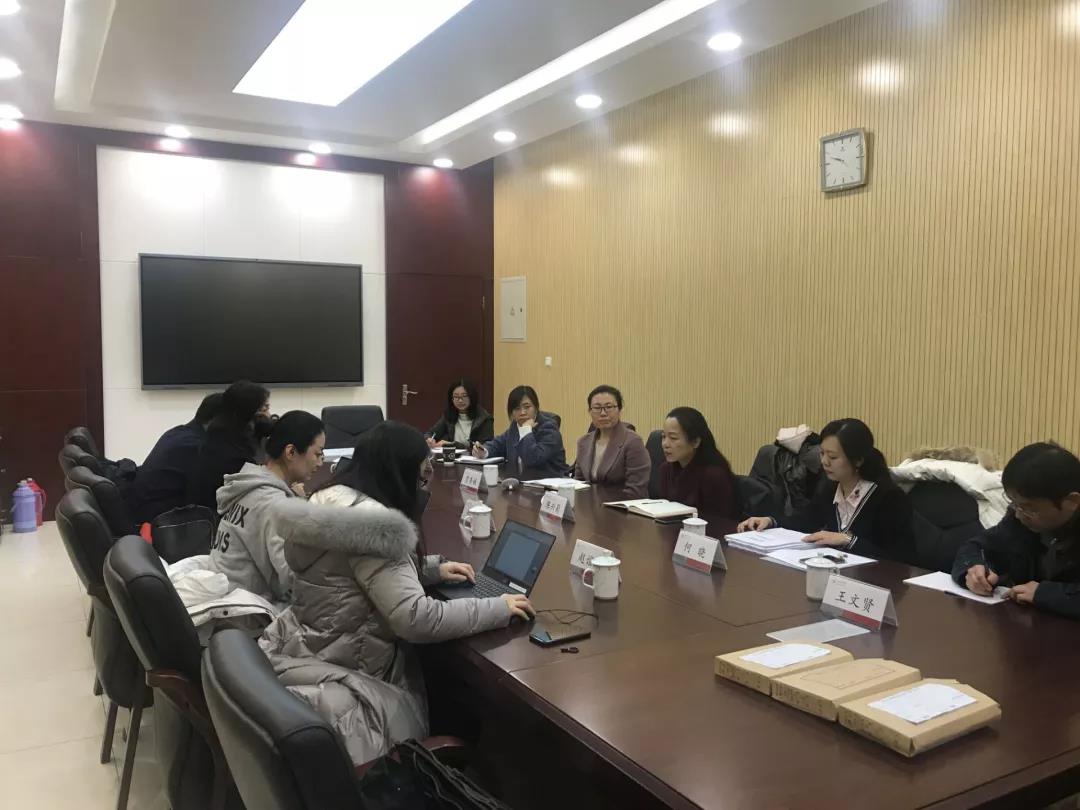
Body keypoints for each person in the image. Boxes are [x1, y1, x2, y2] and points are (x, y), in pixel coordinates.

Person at [259, 420, 533, 764]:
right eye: (421, 477)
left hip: (316, 647)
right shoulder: (375, 528)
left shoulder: (329, 500)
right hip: (357, 672)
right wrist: (498, 607)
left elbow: (343, 569)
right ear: (398, 473)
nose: (422, 487)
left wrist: (428, 570)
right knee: (463, 701)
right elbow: (416, 618)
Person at [738, 418, 915, 563]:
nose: (824, 462)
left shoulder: (889, 498)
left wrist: (848, 540)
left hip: (876, 583)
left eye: (833, 457)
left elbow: (901, 558)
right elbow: (806, 521)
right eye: (822, 453)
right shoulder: (830, 487)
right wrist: (771, 521)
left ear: (858, 460)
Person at [953, 442, 1080, 619]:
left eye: (1029, 509)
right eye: (1014, 503)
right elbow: (976, 546)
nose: (1019, 515)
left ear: (1071, 502)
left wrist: (1046, 594)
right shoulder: (1021, 518)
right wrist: (974, 569)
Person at [210, 410, 325, 603]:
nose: (321, 462)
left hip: (227, 599)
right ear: (290, 452)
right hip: (250, 610)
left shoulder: (248, 485)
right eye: (318, 453)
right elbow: (293, 580)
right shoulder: (274, 504)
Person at [126, 392, 223, 525]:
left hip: (141, 512)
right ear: (216, 420)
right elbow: (202, 498)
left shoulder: (177, 432)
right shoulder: (196, 446)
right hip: (158, 523)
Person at [187, 381, 271, 511]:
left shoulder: (216, 436)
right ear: (251, 415)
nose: (269, 416)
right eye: (265, 409)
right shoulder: (235, 457)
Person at [658, 407, 738, 531]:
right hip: (673, 534)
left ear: (695, 442)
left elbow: (719, 524)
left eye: (673, 438)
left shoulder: (714, 475)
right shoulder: (665, 469)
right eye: (663, 437)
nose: (665, 444)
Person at [472, 385, 567, 480]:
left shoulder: (549, 428)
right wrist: (484, 451)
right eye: (517, 408)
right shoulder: (515, 427)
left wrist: (526, 431)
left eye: (527, 407)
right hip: (519, 484)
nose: (522, 412)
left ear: (536, 407)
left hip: (545, 486)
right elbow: (498, 444)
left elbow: (533, 458)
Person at [572, 385, 650, 497]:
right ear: (590, 411)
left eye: (609, 407)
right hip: (589, 505)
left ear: (619, 410)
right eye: (597, 408)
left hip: (623, 505)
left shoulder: (633, 442)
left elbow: (636, 491)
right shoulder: (584, 442)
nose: (603, 413)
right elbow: (579, 485)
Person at [425, 378, 494, 448]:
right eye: (456, 397)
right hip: (452, 455)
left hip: (473, 455)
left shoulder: (484, 418)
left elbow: (485, 448)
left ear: (472, 397)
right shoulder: (449, 415)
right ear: (452, 399)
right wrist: (429, 439)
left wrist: (452, 445)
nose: (460, 400)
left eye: (464, 396)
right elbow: (430, 433)